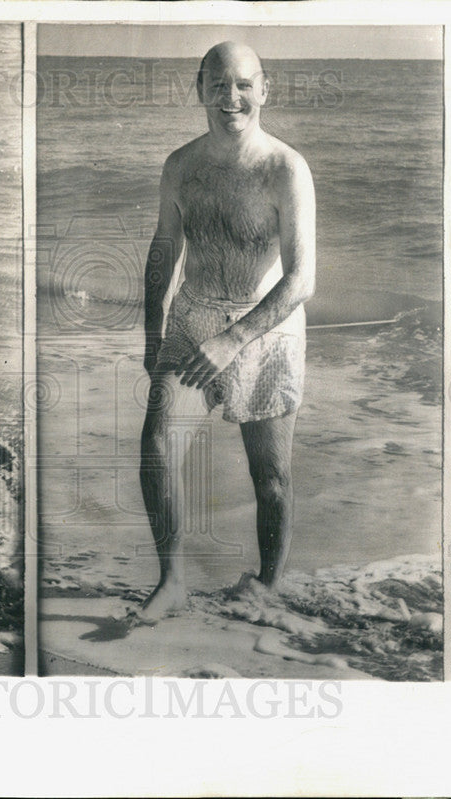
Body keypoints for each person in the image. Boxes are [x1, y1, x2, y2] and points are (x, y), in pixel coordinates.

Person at [138, 41, 316, 621]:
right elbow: (164, 249)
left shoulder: (285, 169)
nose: (230, 97)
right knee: (158, 445)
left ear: (264, 90)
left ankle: (266, 586)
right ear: (199, 90)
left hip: (265, 330)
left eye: (242, 84)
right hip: (191, 318)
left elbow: (301, 281)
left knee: (271, 480)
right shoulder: (181, 165)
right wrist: (151, 331)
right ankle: (171, 583)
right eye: (218, 84)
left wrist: (234, 338)